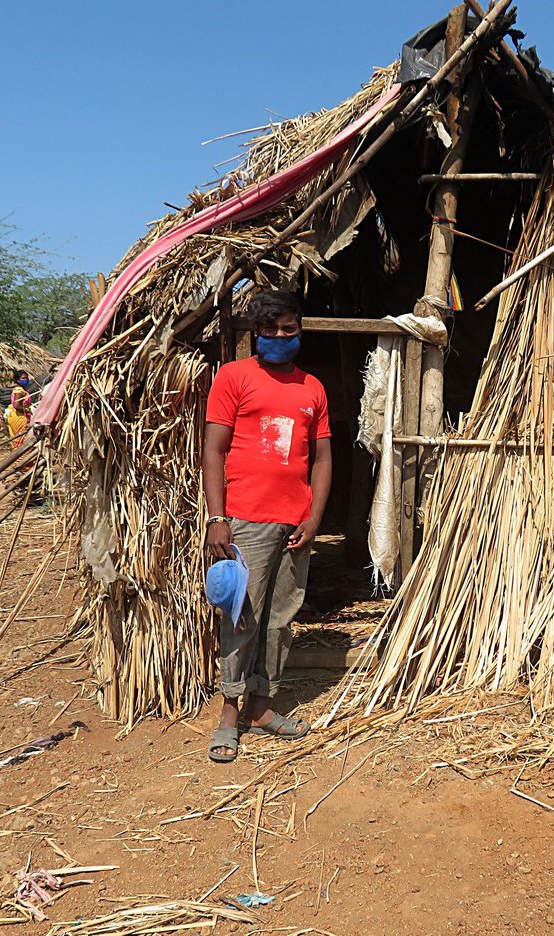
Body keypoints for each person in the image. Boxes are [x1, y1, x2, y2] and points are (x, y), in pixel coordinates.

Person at [202, 291, 331, 762]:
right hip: (246, 521)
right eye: (271, 329)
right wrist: (218, 518)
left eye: (289, 328)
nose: (281, 336)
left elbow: (322, 458)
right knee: (242, 615)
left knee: (280, 619)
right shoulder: (234, 377)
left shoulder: (312, 388)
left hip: (294, 522)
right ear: (256, 334)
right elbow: (213, 450)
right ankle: (229, 715)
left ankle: (262, 707)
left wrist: (313, 517)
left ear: (300, 330)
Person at [0, 370, 33, 448]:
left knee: (18, 441)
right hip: (19, 417)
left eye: (26, 378)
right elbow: (16, 405)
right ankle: (21, 458)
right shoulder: (19, 391)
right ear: (17, 380)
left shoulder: (19, 389)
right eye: (23, 378)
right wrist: (27, 411)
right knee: (22, 441)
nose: (25, 380)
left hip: (15, 416)